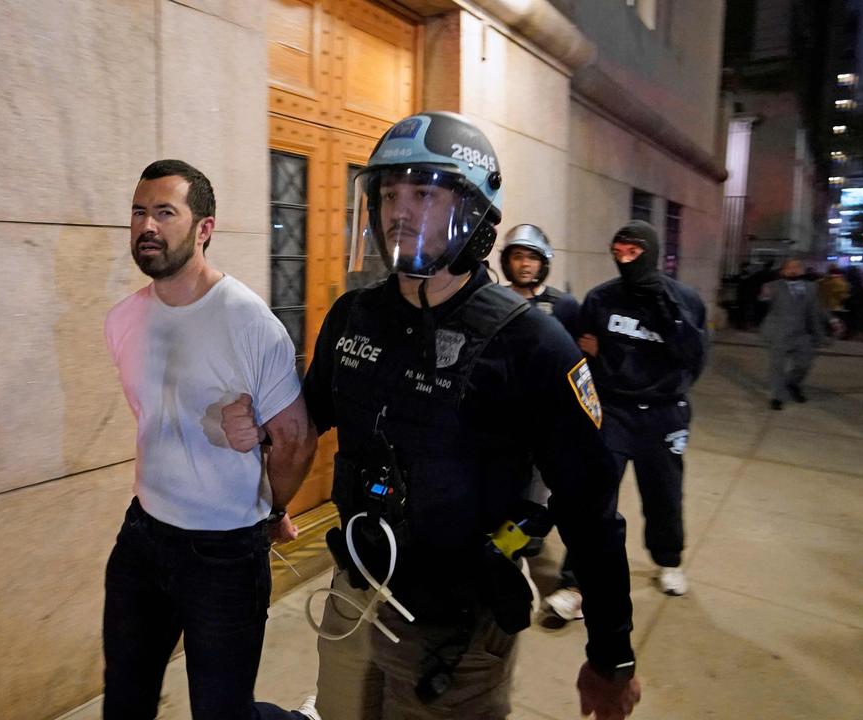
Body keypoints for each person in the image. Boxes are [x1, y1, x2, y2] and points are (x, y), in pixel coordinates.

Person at [224, 113, 640, 720]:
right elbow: (307, 417)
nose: (399, 209)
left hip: (458, 625)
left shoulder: (533, 345)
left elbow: (591, 510)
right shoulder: (355, 316)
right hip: (357, 590)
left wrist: (612, 654)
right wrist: (260, 450)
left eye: (423, 192)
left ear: (474, 211)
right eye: (389, 193)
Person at [102, 159, 320, 720]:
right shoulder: (123, 320)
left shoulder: (247, 321)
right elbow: (153, 420)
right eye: (138, 213)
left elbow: (295, 440)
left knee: (223, 714)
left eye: (165, 213)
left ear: (204, 228)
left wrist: (272, 509)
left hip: (224, 553)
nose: (147, 226)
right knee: (125, 700)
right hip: (143, 538)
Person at [543, 220, 708, 621]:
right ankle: (576, 583)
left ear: (649, 252)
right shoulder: (601, 298)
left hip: (664, 414)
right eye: (619, 252)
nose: (626, 259)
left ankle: (668, 560)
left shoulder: (683, 299)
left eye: (634, 252)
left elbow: (694, 357)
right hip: (613, 411)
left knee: (664, 494)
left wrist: (666, 312)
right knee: (593, 497)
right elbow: (582, 352)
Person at [496, 224, 580, 517]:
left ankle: (528, 532)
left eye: (532, 257)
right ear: (507, 261)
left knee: (540, 486)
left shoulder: (563, 306)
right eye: (518, 256)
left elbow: (574, 363)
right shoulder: (493, 300)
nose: (525, 264)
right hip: (502, 411)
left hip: (545, 414)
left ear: (543, 262)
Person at [760, 257, 834, 411]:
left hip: (801, 334)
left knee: (805, 363)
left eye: (797, 267)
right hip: (778, 333)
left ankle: (793, 383)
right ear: (783, 271)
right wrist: (764, 294)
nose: (793, 270)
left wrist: (832, 320)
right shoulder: (773, 286)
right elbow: (764, 299)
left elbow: (818, 309)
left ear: (802, 270)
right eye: (790, 267)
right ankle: (777, 397)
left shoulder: (811, 287)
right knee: (777, 367)